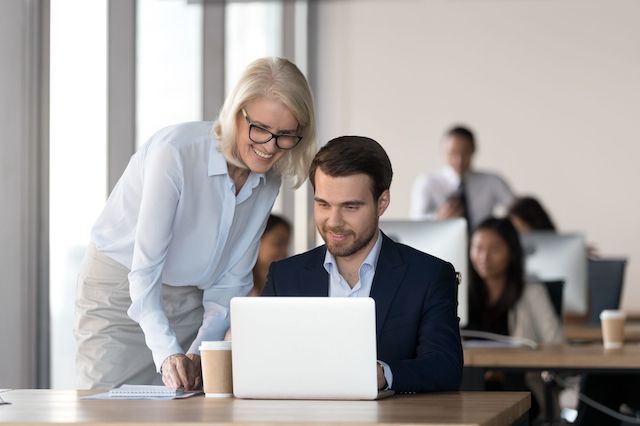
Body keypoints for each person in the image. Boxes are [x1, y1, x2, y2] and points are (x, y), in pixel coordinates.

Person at [74, 57, 317, 390]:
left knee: (184, 402)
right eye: (260, 129)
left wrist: (197, 351)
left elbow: (232, 280)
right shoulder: (175, 153)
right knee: (111, 407)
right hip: (122, 293)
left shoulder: (268, 180)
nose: (269, 148)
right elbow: (144, 273)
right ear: (236, 114)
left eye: (286, 136)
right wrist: (166, 354)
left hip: (191, 297)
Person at [263, 135, 463, 393]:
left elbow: (445, 367)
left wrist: (382, 375)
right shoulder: (284, 277)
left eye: (350, 207)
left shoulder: (429, 275)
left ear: (382, 203)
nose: (333, 221)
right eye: (323, 204)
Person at [465, 217, 563, 418]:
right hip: (469, 385)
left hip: (521, 388)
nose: (484, 257)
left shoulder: (531, 292)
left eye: (494, 249)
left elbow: (556, 346)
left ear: (512, 252)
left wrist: (506, 369)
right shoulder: (458, 293)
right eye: (477, 248)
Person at [410, 125, 514, 230]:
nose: (459, 160)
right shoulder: (427, 182)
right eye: (453, 153)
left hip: (483, 244)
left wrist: (501, 227)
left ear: (473, 150)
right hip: (440, 243)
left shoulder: (492, 182)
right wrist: (437, 218)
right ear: (444, 151)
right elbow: (415, 221)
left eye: (465, 153)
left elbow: (518, 212)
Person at [250, 214, 291, 296]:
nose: (284, 251)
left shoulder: (288, 284)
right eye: (277, 243)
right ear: (256, 241)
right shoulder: (241, 289)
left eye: (286, 244)